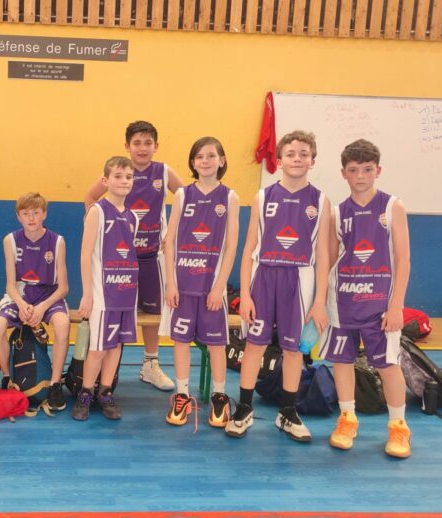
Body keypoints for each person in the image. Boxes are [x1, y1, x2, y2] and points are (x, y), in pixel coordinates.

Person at [226, 130, 330, 442]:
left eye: (303, 154)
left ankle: (287, 412)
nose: (297, 159)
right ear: (279, 160)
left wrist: (319, 301)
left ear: (312, 161)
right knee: (254, 345)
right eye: (290, 154)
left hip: (300, 279)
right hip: (264, 277)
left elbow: (323, 254)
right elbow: (249, 248)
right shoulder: (263, 197)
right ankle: (244, 408)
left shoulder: (321, 200)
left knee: (294, 349)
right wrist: (245, 295)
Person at [323, 139, 412, 458]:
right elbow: (329, 260)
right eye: (353, 170)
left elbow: (403, 259)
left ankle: (398, 426)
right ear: (343, 173)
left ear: (378, 170)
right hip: (342, 301)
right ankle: (347, 419)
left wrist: (396, 305)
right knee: (342, 361)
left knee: (387, 365)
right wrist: (320, 302)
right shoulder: (336, 213)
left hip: (380, 304)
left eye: (367, 169)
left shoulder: (392, 207)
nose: (360, 176)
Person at [84, 121, 183, 392]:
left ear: (156, 146)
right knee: (115, 311)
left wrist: (172, 233)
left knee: (153, 311)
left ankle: (150, 364)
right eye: (137, 143)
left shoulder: (163, 172)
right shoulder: (118, 172)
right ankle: (102, 369)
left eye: (148, 143)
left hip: (151, 255)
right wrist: (101, 235)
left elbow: (187, 199)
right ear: (127, 146)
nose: (142, 148)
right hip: (118, 261)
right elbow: (90, 197)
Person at [161, 137, 240, 429]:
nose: (205, 161)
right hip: (183, 285)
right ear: (193, 163)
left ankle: (219, 396)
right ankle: (182, 395)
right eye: (199, 157)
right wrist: (170, 283)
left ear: (222, 160)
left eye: (211, 156)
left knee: (216, 344)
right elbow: (170, 241)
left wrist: (220, 287)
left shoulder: (230, 197)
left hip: (211, 287)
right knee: (181, 341)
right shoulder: (182, 195)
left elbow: (231, 246)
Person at [0, 192, 71, 412]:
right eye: (25, 213)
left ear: (44, 214)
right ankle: (8, 378)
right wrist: (21, 303)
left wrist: (42, 307)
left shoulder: (57, 241)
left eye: (36, 212)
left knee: (62, 324)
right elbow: (10, 285)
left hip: (48, 295)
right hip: (20, 294)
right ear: (18, 216)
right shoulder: (10, 240)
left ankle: (55, 384)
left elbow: (64, 287)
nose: (31, 218)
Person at [73, 157, 139, 421]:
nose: (124, 181)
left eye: (128, 177)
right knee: (98, 348)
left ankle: (105, 392)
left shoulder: (133, 216)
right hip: (102, 294)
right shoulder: (97, 211)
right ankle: (85, 393)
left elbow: (129, 255)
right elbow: (85, 254)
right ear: (106, 180)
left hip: (126, 291)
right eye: (118, 176)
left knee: (116, 346)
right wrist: (87, 294)